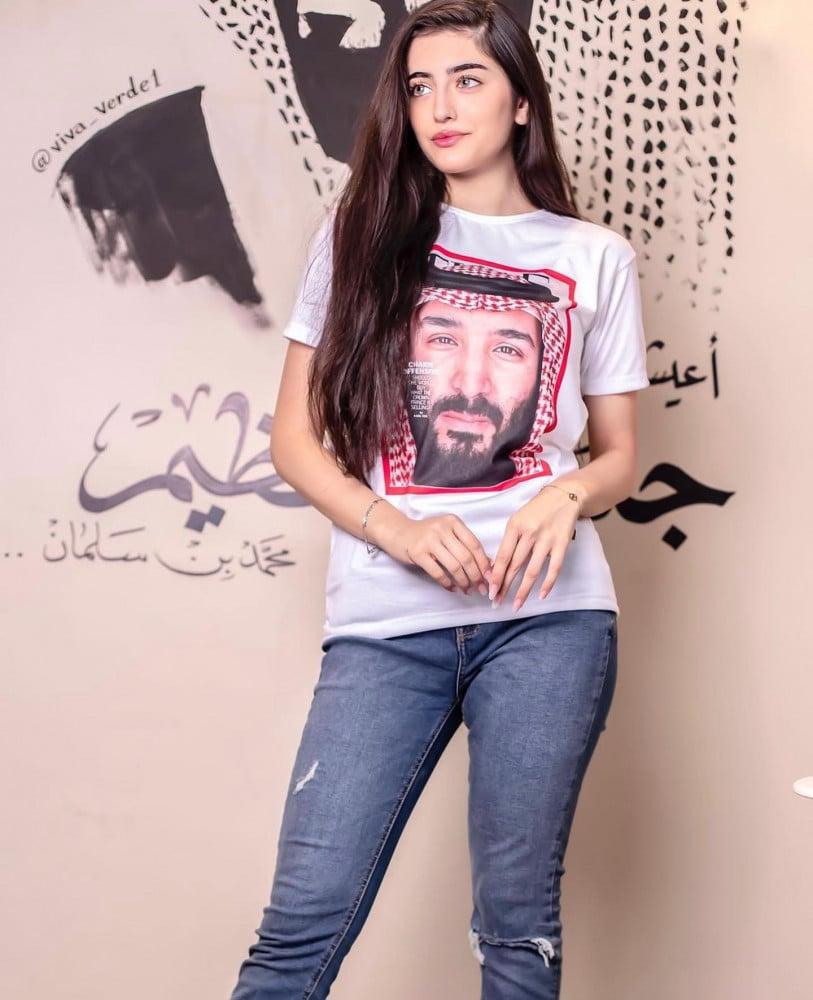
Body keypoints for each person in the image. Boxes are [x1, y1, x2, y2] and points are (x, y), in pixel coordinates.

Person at [230, 2, 649, 998]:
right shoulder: (361, 237)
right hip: (387, 621)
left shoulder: (594, 257)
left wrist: (568, 494)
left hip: (548, 619)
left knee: (517, 930)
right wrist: (399, 529)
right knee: (301, 926)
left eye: (467, 80)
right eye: (420, 87)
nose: (440, 107)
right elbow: (292, 440)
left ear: (519, 101)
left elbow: (622, 454)